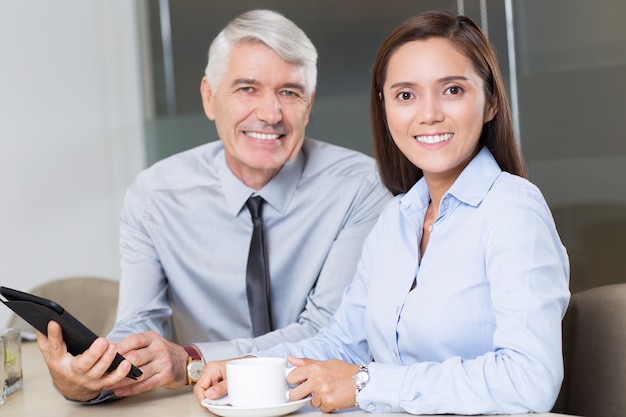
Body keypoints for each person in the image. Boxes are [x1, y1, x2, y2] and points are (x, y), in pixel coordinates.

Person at [194, 10, 570, 415]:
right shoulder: (398, 217)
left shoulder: (512, 210)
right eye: (406, 95)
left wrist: (365, 383)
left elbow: (529, 378)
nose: (428, 114)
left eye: (453, 90)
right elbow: (342, 342)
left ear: (491, 101)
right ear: (385, 107)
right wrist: (249, 368)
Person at [35, 9, 390, 403]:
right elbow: (138, 326)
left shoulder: (362, 187)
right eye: (247, 89)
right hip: (203, 406)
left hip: (325, 402)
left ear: (309, 104)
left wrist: (193, 360)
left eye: (290, 92)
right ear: (209, 97)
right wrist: (86, 381)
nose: (271, 115)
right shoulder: (155, 196)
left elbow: (330, 332)